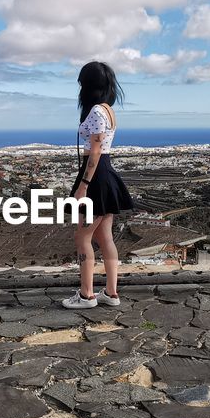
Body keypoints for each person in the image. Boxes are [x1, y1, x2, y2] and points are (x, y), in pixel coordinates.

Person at [62, 61, 133, 308]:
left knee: (82, 237)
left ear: (89, 86)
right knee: (105, 237)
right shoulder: (109, 110)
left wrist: (83, 185)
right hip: (107, 173)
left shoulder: (95, 112)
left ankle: (86, 295)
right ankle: (111, 293)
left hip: (95, 176)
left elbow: (94, 151)